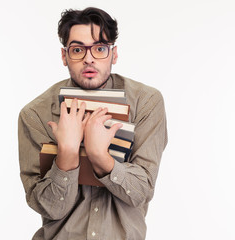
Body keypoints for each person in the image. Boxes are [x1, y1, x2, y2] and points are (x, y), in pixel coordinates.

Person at [18, 7, 167, 240]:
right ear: (64, 56)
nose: (88, 58)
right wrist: (67, 154)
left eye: (99, 48)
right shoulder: (35, 114)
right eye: (77, 49)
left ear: (114, 54)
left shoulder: (146, 102)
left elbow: (141, 192)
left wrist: (99, 156)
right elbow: (49, 207)